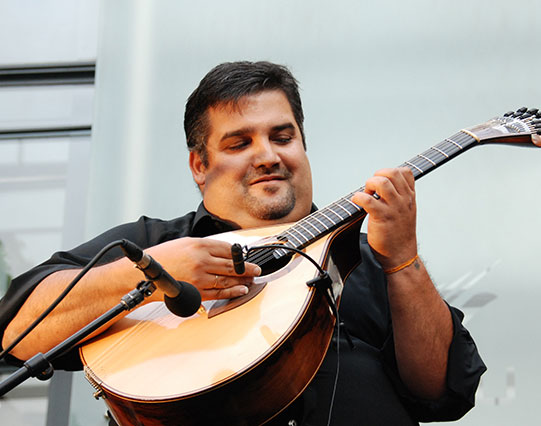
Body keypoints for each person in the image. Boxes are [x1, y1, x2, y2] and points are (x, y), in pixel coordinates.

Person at [0, 61, 486, 425]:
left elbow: (442, 389)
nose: (268, 155)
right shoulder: (159, 244)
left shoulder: (366, 260)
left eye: (283, 136)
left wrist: (402, 259)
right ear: (199, 166)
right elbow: (17, 330)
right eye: (239, 143)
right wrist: (148, 275)